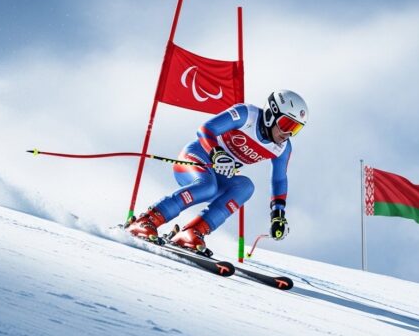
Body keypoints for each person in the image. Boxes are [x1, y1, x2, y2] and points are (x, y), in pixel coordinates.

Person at [126, 89, 308, 254]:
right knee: (208, 186)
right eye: (286, 124)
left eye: (295, 129)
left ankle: (192, 232)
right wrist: (217, 153)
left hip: (218, 173)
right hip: (195, 158)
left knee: (245, 187)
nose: (288, 133)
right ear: (271, 114)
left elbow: (279, 180)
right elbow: (206, 129)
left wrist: (278, 214)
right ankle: (147, 220)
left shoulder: (282, 148)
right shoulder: (247, 115)